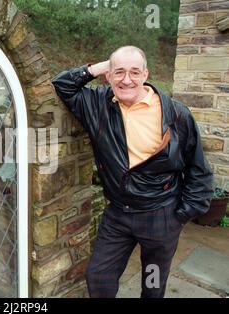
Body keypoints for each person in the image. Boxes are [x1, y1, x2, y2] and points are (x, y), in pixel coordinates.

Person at [52, 46, 213, 298]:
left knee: (152, 285)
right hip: (118, 215)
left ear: (146, 74)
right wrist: (105, 64)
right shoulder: (97, 106)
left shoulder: (176, 114)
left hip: (160, 216)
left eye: (134, 72)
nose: (127, 80)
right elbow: (62, 84)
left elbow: (199, 169)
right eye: (119, 72)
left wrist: (180, 215)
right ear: (108, 75)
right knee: (98, 277)